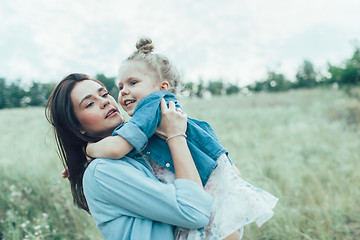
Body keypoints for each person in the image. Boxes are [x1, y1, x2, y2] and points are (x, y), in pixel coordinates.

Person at [86, 37, 278, 240]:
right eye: (120, 86)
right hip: (214, 180)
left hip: (201, 184)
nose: (124, 91)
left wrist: (88, 149)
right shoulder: (168, 112)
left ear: (162, 86)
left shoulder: (152, 104)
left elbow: (117, 148)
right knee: (225, 229)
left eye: (133, 83)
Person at [45, 73, 214, 240]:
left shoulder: (142, 150)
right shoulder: (102, 171)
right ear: (77, 127)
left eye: (104, 94)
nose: (105, 101)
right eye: (89, 104)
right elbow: (195, 211)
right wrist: (176, 136)